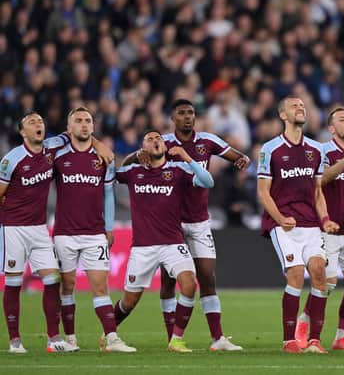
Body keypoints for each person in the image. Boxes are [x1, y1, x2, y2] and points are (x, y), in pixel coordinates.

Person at [159, 99, 249, 351]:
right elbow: (139, 156)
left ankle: (217, 338)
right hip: (171, 223)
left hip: (199, 222)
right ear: (173, 118)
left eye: (190, 113)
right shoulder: (164, 143)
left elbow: (235, 154)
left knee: (207, 277)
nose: (187, 117)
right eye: (181, 113)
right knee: (168, 281)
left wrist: (241, 159)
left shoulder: (207, 141)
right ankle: (172, 337)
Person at [113, 130, 214, 353]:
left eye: (158, 138)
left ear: (165, 146)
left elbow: (208, 181)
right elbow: (109, 174)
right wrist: (133, 156)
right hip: (143, 247)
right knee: (129, 301)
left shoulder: (178, 171)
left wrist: (188, 158)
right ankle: (109, 333)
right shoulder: (133, 172)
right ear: (144, 147)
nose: (156, 140)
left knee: (189, 285)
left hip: (172, 243)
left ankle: (176, 340)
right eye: (149, 139)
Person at [257, 96, 339, 354]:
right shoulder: (270, 149)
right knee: (295, 274)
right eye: (295, 106)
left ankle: (314, 340)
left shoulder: (316, 149)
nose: (301, 108)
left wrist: (325, 219)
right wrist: (280, 218)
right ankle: (288, 341)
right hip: (283, 225)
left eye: (303, 105)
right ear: (283, 115)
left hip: (310, 223)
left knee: (318, 272)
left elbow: (317, 191)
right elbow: (263, 191)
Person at [53, 107, 135, 352]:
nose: (84, 124)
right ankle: (70, 339)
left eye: (88, 120)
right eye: (78, 120)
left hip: (94, 233)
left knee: (100, 287)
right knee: (67, 286)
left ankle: (111, 338)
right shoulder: (58, 157)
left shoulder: (103, 158)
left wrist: (108, 228)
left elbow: (108, 194)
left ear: (93, 126)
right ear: (69, 129)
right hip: (65, 233)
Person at [294, 107, 344, 351]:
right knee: (327, 284)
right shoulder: (321, 152)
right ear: (331, 128)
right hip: (326, 228)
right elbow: (321, 181)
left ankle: (341, 337)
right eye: (342, 119)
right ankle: (306, 324)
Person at [0, 113, 75, 353]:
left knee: (53, 280)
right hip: (13, 228)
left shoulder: (51, 147)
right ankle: (14, 341)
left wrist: (101, 146)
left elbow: (74, 133)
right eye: (31, 123)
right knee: (13, 282)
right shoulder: (12, 160)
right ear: (23, 133)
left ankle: (54, 339)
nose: (38, 125)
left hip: (40, 229)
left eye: (40, 121)